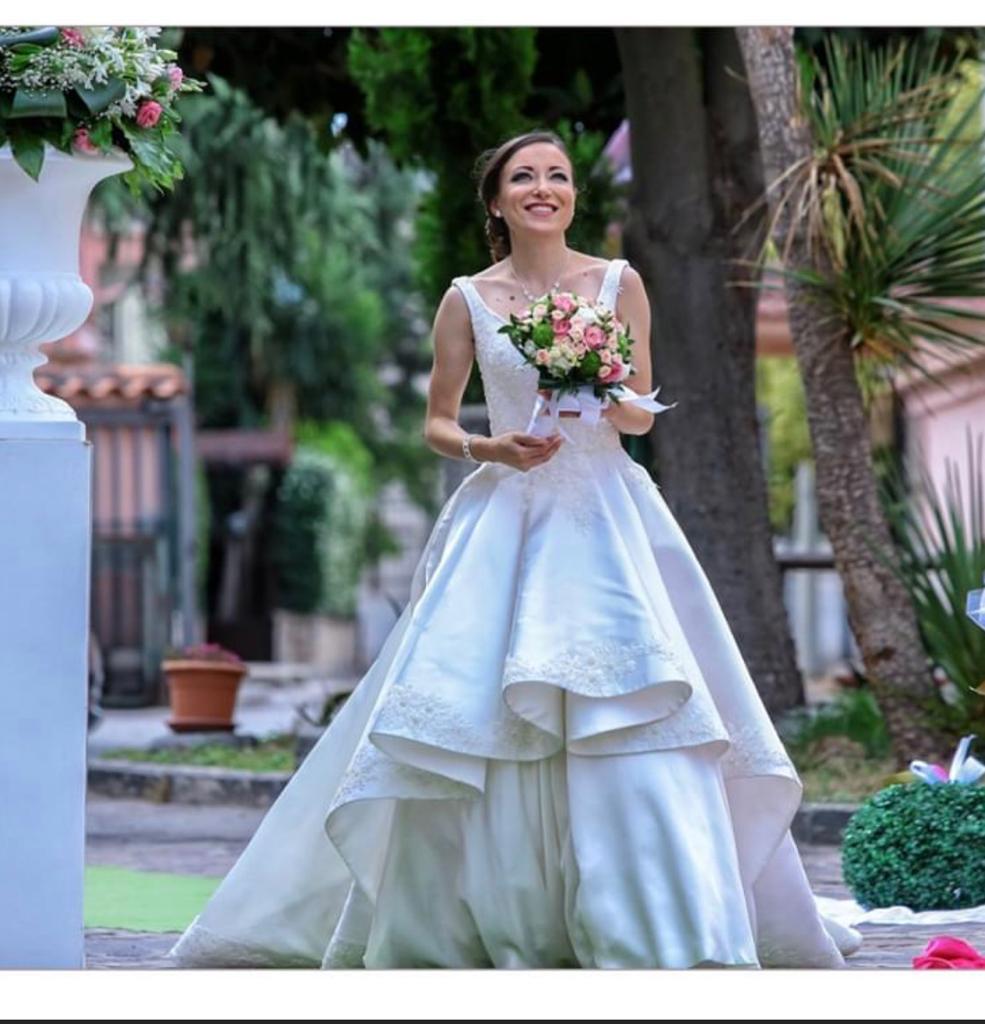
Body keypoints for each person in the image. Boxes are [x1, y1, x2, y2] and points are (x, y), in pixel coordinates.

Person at [165, 129, 863, 969]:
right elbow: (435, 420)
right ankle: (468, 917)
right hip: (507, 515)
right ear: (496, 200)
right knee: (476, 700)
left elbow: (642, 412)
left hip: (607, 511)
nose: (544, 188)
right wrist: (487, 449)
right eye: (523, 177)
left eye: (558, 176)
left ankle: (652, 916)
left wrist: (603, 391)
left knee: (633, 697)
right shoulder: (466, 297)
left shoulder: (618, 283)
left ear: (574, 195)